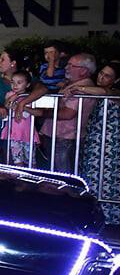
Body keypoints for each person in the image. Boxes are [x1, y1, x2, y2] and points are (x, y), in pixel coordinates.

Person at [78, 61, 120, 224]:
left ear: (116, 80)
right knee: (92, 176)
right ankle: (94, 214)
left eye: (107, 75)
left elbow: (105, 91)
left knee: (107, 179)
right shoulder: (99, 95)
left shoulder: (114, 93)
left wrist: (78, 89)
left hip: (110, 145)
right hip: (95, 143)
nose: (101, 77)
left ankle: (109, 217)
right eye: (101, 73)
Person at [40, 53, 96, 171]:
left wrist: (41, 113)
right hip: (59, 136)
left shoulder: (82, 88)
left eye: (71, 65)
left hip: (65, 137)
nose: (66, 67)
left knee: (62, 177)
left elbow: (68, 113)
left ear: (83, 70)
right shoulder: (71, 84)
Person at [0, 70, 40, 166]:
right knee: (17, 159)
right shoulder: (10, 95)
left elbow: (37, 112)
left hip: (27, 133)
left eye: (19, 83)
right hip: (14, 132)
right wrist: (15, 96)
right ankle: (19, 177)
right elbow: (7, 105)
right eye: (13, 82)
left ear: (28, 84)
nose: (15, 85)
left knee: (31, 160)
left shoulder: (31, 97)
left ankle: (31, 178)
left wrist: (23, 107)